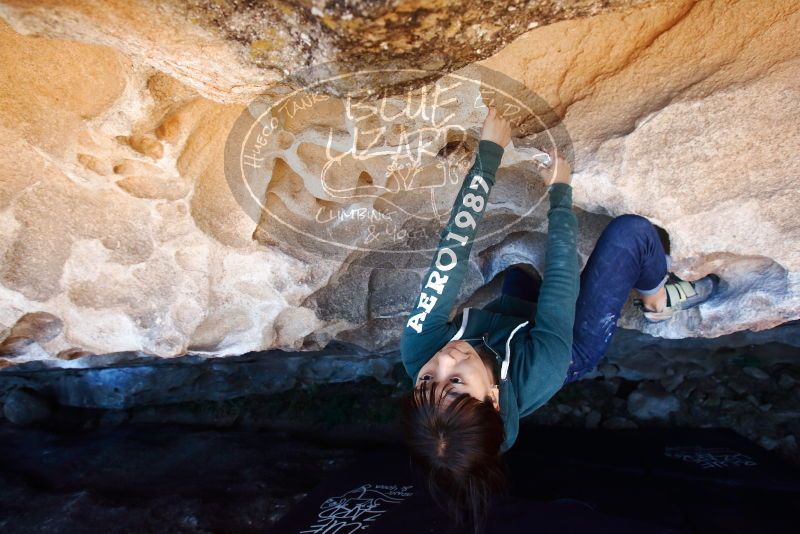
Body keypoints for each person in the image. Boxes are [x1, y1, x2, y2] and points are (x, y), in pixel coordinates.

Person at [398, 107, 719, 533]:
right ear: (494, 398)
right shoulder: (544, 370)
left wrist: (488, 156)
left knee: (519, 273)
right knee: (632, 236)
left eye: (426, 380)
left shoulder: (419, 349)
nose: (445, 360)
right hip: (565, 350)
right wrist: (560, 194)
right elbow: (561, 287)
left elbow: (450, 255)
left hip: (512, 329)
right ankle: (658, 299)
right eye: (455, 381)